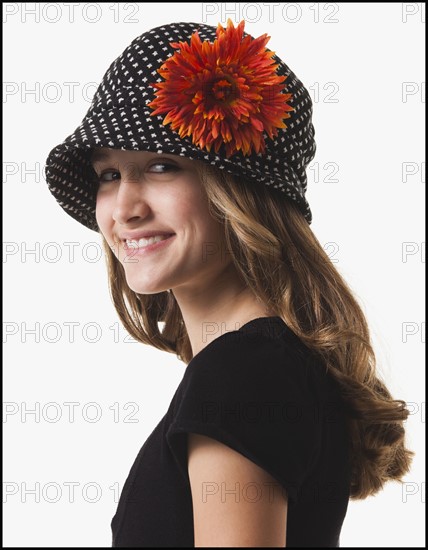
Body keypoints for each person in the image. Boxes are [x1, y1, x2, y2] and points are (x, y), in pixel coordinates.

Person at [44, 19, 414, 548]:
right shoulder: (262, 366)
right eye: (109, 174)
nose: (124, 208)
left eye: (162, 165)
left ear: (239, 193)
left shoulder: (240, 377)